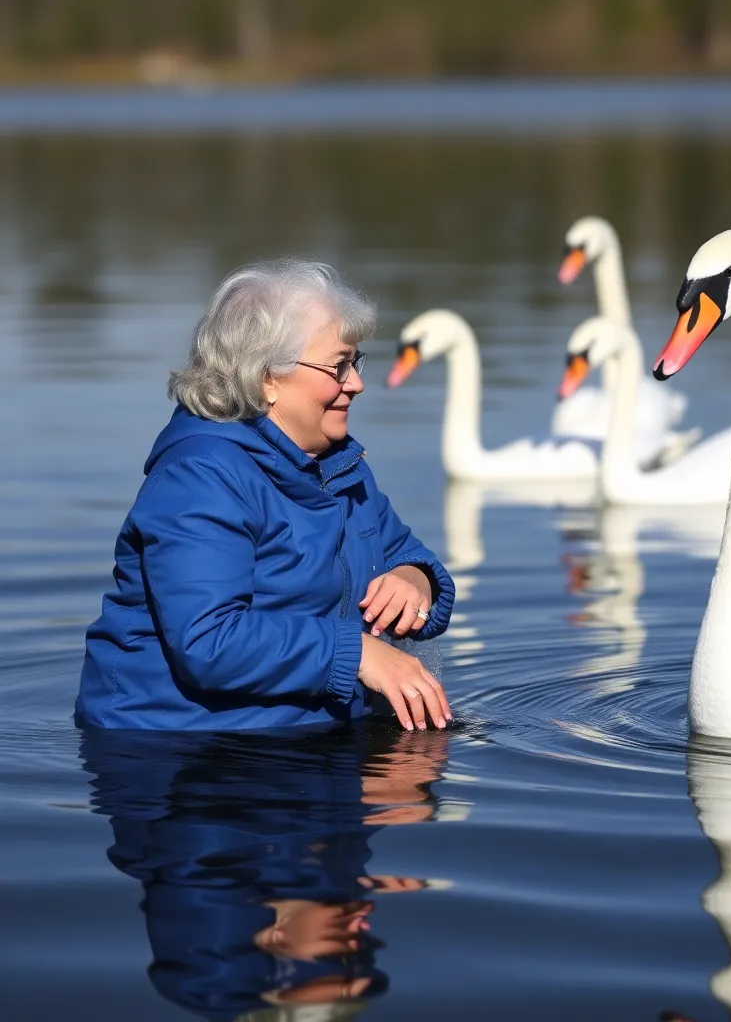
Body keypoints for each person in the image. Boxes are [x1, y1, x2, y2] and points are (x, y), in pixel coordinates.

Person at [76, 260, 455, 732]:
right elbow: (209, 640)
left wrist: (414, 580)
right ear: (266, 379)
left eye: (355, 363)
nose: (356, 384)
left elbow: (406, 555)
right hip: (178, 752)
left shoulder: (339, 465)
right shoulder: (200, 476)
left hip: (304, 737)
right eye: (338, 366)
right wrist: (356, 653)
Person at [79, 724, 452, 1020]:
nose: (365, 923)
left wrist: (421, 622)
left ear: (275, 946)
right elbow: (204, 642)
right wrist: (373, 798)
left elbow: (218, 809)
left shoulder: (212, 868)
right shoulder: (292, 905)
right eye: (356, 954)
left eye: (340, 956)